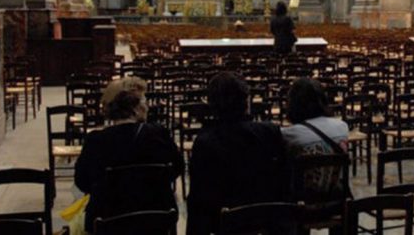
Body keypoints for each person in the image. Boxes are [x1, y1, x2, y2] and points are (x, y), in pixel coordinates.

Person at [75, 77, 183, 233]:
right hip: (156, 215)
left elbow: (82, 181)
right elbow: (177, 168)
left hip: (109, 218)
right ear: (136, 107)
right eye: (144, 101)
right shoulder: (158, 134)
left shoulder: (95, 140)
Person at [186, 73, 288, 235]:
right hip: (266, 217)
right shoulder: (270, 131)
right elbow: (283, 180)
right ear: (246, 101)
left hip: (223, 222)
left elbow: (198, 199)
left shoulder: (206, 142)